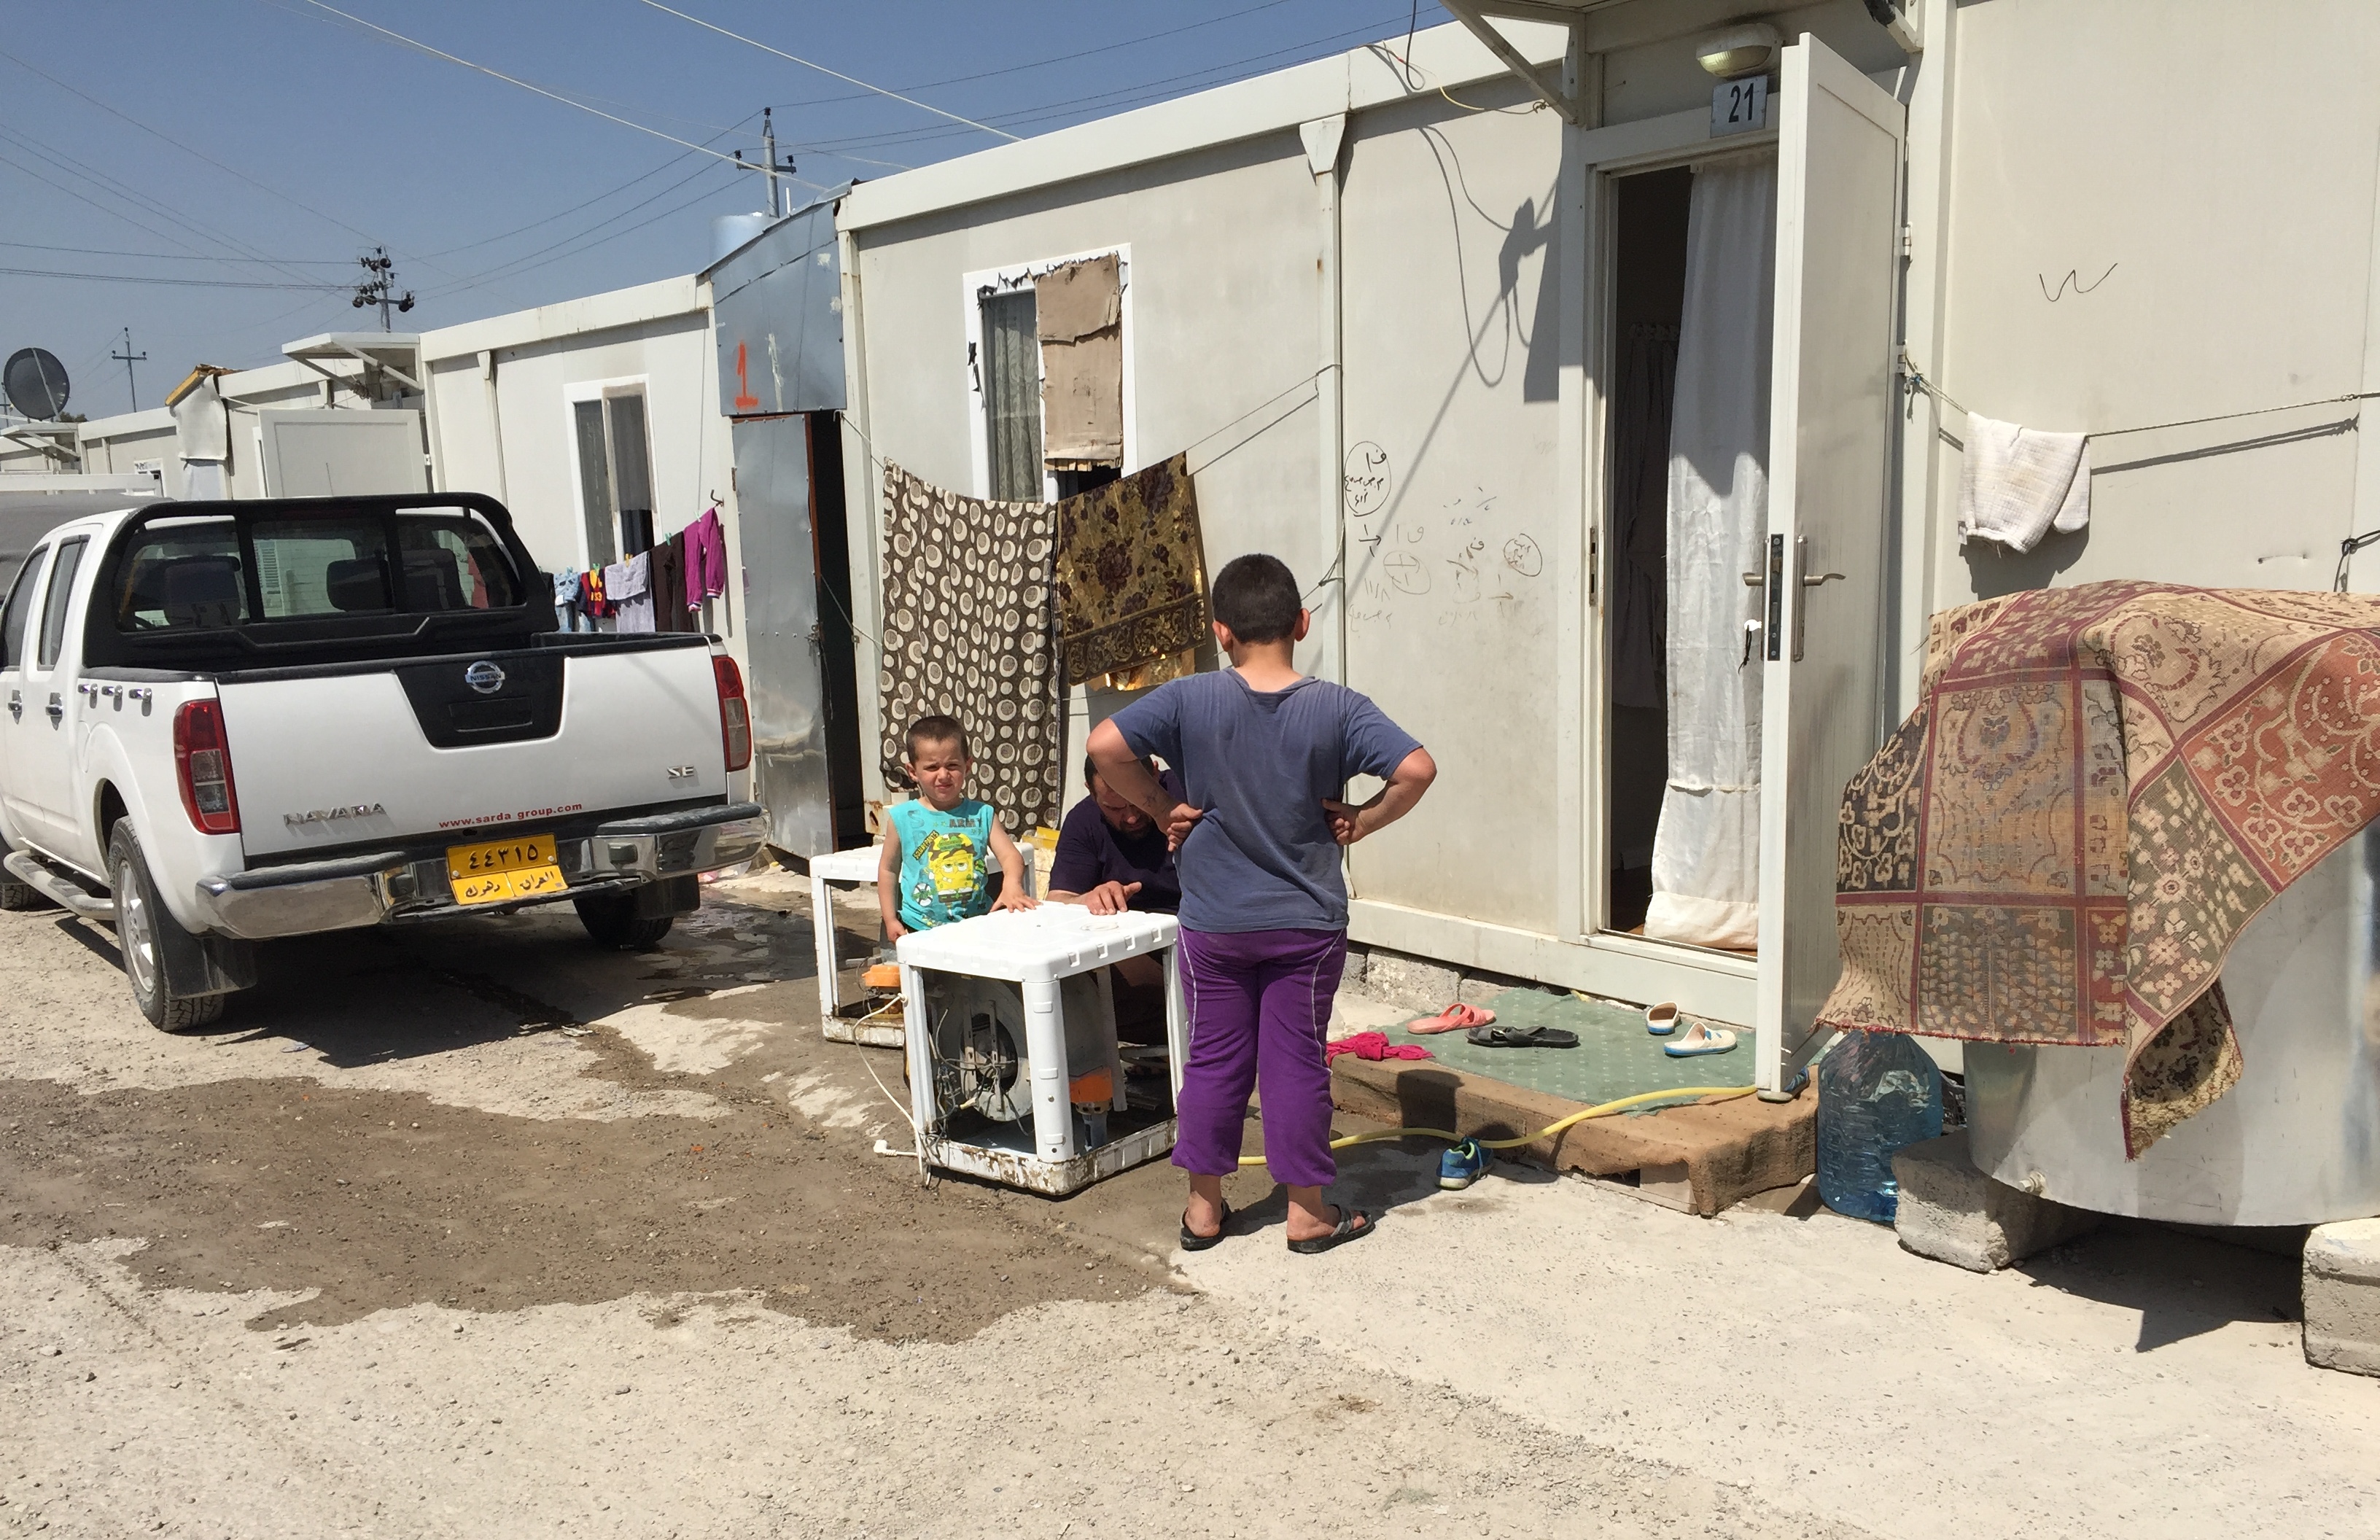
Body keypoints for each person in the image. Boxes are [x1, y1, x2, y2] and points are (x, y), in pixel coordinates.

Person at [1087, 553, 1436, 1254]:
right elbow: (1417, 769)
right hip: (1305, 924)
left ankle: (1203, 1212)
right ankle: (1307, 1213)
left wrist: (1161, 808)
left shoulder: (1189, 698)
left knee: (1214, 1059)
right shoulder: (1339, 707)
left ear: (1222, 632)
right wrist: (1361, 821)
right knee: (1296, 1062)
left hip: (1214, 924)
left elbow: (1104, 744)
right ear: (1301, 623)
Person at [878, 714, 1038, 941]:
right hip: (919, 929)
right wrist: (890, 918)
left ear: (968, 766)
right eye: (932, 767)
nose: (943, 775)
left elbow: (1011, 856)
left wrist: (1011, 884)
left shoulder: (982, 814)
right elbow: (888, 870)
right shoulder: (902, 817)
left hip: (978, 927)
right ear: (913, 771)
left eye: (952, 765)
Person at [1047, 752, 1184, 917]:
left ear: (1156, 774)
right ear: (1091, 791)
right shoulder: (1083, 820)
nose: (1132, 818)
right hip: (1125, 929)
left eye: (1140, 802)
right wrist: (1092, 899)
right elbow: (1057, 900)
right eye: (1114, 808)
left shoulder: (1190, 794)